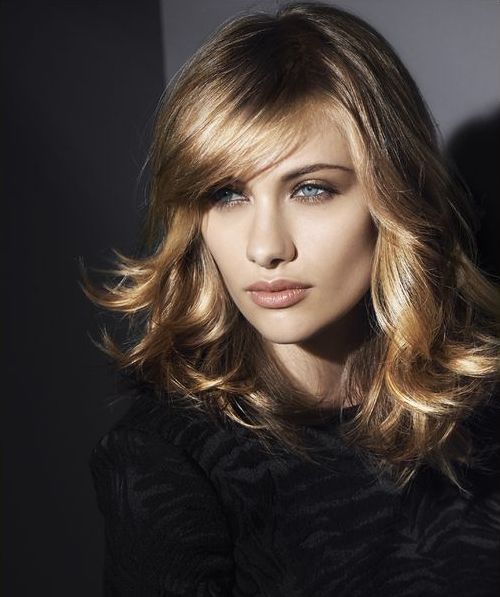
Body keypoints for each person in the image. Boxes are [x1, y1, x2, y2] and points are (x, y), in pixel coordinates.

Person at [81, 2, 500, 595]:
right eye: (227, 194)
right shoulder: (167, 460)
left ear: (393, 197)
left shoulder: (480, 401)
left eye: (311, 189)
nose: (265, 247)